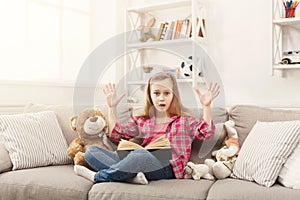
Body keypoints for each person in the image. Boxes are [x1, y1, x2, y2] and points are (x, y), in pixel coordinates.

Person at [74, 72, 220, 184]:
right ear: (150, 95)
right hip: (139, 161)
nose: (161, 98)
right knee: (90, 152)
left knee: (139, 154)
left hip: (167, 167)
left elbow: (206, 134)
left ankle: (99, 177)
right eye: (156, 93)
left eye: (166, 93)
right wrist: (112, 107)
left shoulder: (184, 121)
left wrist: (206, 106)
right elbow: (116, 135)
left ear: (173, 95)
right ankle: (130, 177)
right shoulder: (143, 120)